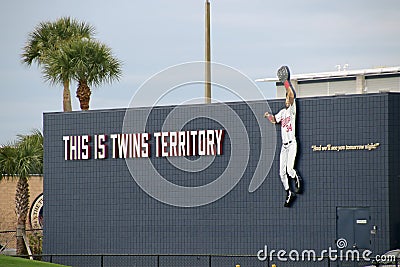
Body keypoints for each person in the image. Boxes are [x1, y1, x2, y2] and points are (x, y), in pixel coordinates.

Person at [264, 66, 302, 207]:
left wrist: (286, 83)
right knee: (281, 173)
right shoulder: (282, 112)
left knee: (289, 170)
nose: (287, 99)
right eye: (285, 98)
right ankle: (288, 192)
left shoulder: (292, 109)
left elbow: (291, 94)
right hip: (284, 146)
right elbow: (275, 120)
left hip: (292, 144)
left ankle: (296, 178)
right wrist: (268, 116)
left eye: (287, 98)